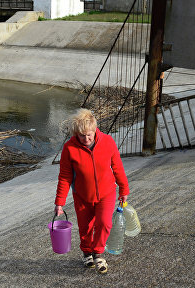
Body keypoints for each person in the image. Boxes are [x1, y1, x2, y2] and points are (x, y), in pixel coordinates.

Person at [54, 108, 129, 274]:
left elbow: (117, 167)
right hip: (82, 196)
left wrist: (124, 188)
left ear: (95, 130)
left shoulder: (108, 142)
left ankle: (98, 253)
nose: (86, 139)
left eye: (89, 134)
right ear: (75, 133)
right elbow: (64, 177)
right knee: (85, 228)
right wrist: (59, 202)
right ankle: (86, 252)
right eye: (82, 135)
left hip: (107, 193)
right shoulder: (69, 148)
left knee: (104, 223)